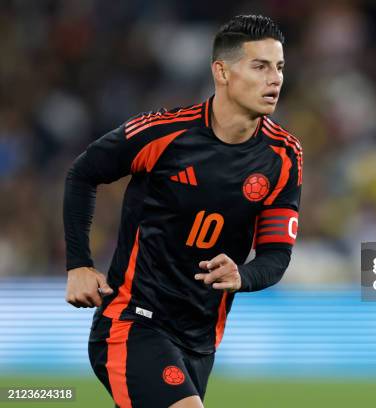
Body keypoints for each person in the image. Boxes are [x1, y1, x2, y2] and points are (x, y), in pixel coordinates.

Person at [63, 14, 302, 408]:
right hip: (133, 321)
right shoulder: (163, 133)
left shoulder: (284, 156)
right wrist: (78, 264)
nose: (274, 78)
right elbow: (82, 174)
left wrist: (242, 275)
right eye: (259, 66)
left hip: (201, 339)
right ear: (221, 72)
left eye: (279, 67)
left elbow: (277, 254)